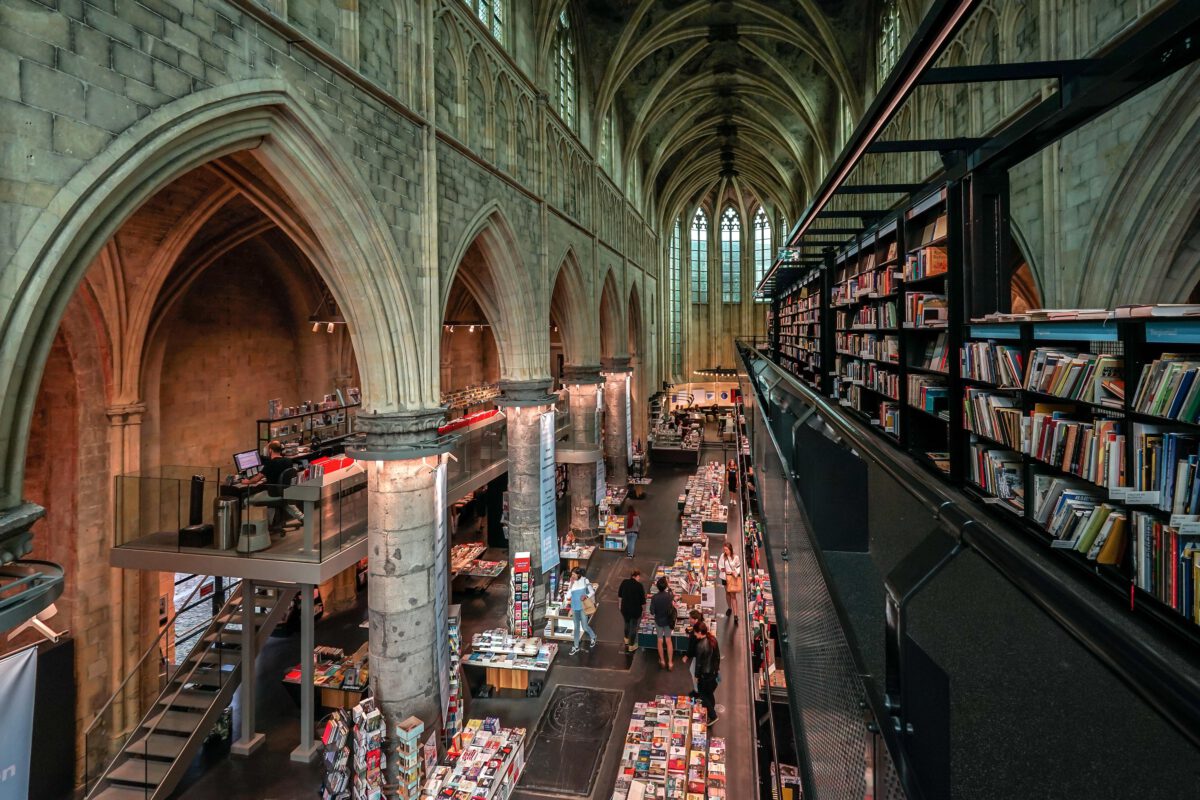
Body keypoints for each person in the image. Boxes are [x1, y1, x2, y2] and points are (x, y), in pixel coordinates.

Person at [241, 440, 303, 533]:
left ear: (270, 451)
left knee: (247, 500)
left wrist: (246, 481)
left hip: (273, 494)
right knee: (283, 502)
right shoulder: (288, 461)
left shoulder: (270, 464)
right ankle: (271, 524)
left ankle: (252, 529)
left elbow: (256, 480)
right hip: (284, 492)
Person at [693, 621, 721, 726]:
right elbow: (718, 656)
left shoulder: (700, 645)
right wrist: (717, 670)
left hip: (705, 675)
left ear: (700, 632)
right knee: (709, 694)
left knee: (702, 695)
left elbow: (698, 664)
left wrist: (696, 676)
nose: (695, 635)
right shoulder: (713, 640)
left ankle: (713, 716)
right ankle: (710, 712)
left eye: (695, 632)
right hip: (713, 674)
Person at [649, 576, 677, 669]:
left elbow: (652, 612)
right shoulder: (669, 596)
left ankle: (662, 661)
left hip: (659, 621)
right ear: (665, 586)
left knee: (660, 641)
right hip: (668, 621)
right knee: (668, 640)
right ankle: (670, 663)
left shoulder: (654, 598)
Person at [568, 567, 597, 655]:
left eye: (573, 574)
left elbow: (592, 592)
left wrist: (586, 596)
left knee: (584, 626)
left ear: (578, 574)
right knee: (576, 627)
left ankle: (593, 636)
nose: (572, 576)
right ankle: (576, 646)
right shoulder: (572, 582)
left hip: (583, 607)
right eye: (572, 574)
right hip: (574, 607)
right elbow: (568, 596)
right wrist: (571, 585)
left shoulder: (585, 580)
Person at [617, 568, 647, 653]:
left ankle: (626, 639)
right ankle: (631, 645)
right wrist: (644, 611)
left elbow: (620, 595)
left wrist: (620, 605)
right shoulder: (639, 586)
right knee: (633, 626)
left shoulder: (624, 582)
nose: (639, 578)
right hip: (635, 610)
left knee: (626, 623)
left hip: (625, 609)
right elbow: (643, 601)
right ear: (636, 576)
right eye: (639, 577)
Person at [680, 608, 704, 696]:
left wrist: (686, 656)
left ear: (696, 620)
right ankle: (696, 689)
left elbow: (692, 646)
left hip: (698, 656)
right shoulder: (699, 626)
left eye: (690, 618)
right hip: (699, 655)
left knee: (694, 672)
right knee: (693, 671)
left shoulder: (695, 632)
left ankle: (697, 691)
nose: (689, 620)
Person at [718, 541, 743, 625]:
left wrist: (735, 572)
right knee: (727, 593)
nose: (725, 551)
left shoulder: (735, 557)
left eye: (726, 550)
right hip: (725, 577)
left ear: (730, 549)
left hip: (732, 578)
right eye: (724, 550)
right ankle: (729, 608)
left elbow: (738, 566)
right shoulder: (723, 556)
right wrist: (722, 569)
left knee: (733, 595)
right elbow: (720, 565)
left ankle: (735, 615)